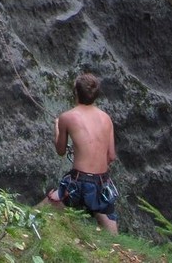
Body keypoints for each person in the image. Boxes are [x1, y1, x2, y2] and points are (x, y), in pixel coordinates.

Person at [44, 73, 119, 234]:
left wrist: (57, 128)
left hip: (78, 182)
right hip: (101, 183)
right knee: (112, 232)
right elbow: (111, 156)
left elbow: (60, 150)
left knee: (47, 206)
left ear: (76, 93)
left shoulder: (67, 117)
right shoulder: (106, 118)